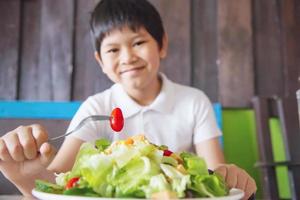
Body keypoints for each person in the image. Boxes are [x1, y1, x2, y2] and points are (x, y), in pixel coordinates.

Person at [0, 0, 256, 199]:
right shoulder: (97, 108)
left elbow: (215, 177)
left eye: (138, 43)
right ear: (100, 61)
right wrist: (26, 177)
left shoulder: (194, 102)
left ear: (162, 45)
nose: (127, 57)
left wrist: (230, 178)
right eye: (113, 49)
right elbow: (57, 180)